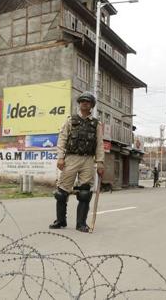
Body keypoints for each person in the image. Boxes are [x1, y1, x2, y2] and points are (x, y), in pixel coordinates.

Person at [49, 91, 105, 232]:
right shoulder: (70, 121)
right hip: (71, 158)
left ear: (91, 105)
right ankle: (61, 221)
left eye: (88, 101)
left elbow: (99, 144)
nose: (85, 103)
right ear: (79, 103)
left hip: (88, 160)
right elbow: (62, 139)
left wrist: (100, 162)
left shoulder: (96, 124)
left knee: (85, 193)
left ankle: (81, 224)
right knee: (61, 192)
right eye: (82, 101)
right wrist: (60, 157)